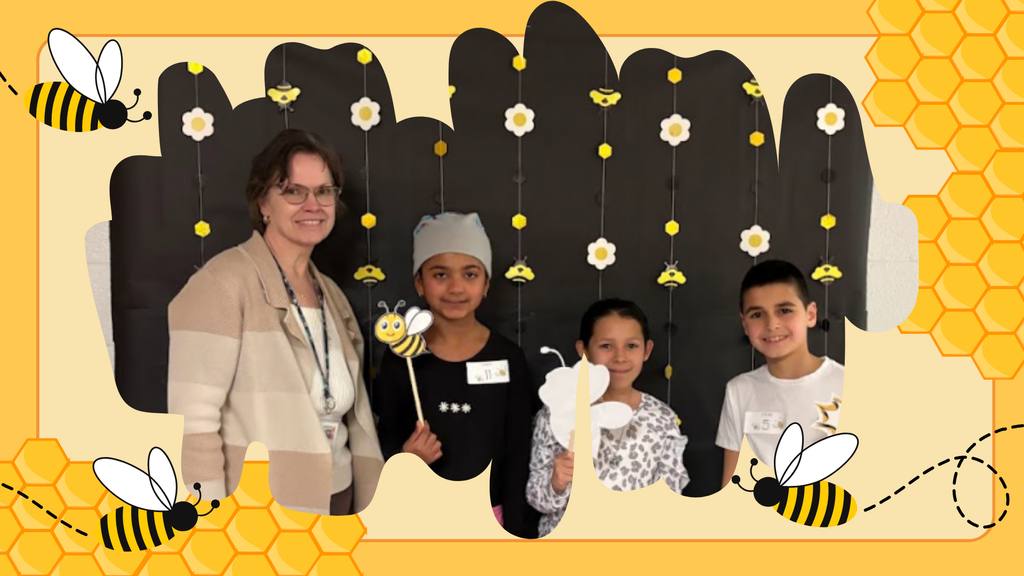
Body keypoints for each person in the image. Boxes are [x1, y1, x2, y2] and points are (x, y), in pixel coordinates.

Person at [167, 128, 384, 516]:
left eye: (324, 191)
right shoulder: (222, 283)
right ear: (263, 202)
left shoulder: (330, 294)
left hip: (340, 496)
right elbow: (192, 423)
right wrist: (208, 520)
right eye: (293, 191)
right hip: (262, 512)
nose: (312, 204)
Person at [372, 212, 538, 538]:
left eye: (470, 274)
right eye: (440, 274)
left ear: (487, 283)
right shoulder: (400, 359)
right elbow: (384, 442)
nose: (456, 287)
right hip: (418, 523)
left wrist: (516, 534)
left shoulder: (508, 358)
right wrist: (406, 460)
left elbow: (519, 453)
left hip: (492, 523)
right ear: (419, 282)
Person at [527, 299, 689, 537]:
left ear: (647, 350)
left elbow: (671, 499)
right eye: (606, 346)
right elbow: (536, 499)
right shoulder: (557, 412)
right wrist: (556, 482)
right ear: (583, 351)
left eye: (631, 346)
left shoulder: (662, 419)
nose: (619, 357)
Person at [716, 259, 845, 489]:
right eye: (757, 315)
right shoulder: (739, 390)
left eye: (784, 311)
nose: (772, 324)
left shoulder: (847, 384)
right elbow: (731, 484)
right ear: (745, 325)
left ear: (810, 314)